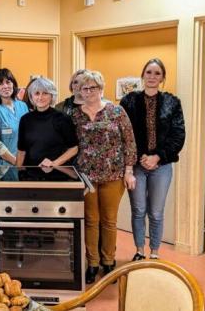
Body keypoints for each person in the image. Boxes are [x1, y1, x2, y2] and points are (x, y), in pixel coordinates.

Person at [71, 70, 136, 284]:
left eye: (93, 88)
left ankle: (109, 262)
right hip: (86, 177)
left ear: (101, 89)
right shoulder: (75, 115)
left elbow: (129, 143)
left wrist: (129, 171)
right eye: (84, 88)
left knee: (109, 221)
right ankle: (93, 264)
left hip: (113, 175)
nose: (89, 92)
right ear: (79, 91)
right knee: (91, 221)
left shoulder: (116, 111)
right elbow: (71, 146)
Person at [120, 58, 185, 261]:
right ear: (143, 75)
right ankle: (139, 250)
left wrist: (157, 157)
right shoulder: (128, 101)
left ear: (163, 77)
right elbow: (124, 133)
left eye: (157, 73)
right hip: (136, 166)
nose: (152, 77)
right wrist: (139, 159)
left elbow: (178, 135)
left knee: (156, 212)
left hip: (162, 166)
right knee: (138, 210)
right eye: (149, 72)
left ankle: (155, 252)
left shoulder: (172, 102)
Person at [16, 77, 78, 168]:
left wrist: (53, 164)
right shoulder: (25, 119)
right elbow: (21, 151)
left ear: (52, 96)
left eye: (45, 93)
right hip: (30, 174)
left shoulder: (62, 118)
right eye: (37, 93)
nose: (40, 97)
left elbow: (74, 148)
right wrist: (17, 173)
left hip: (56, 174)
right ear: (31, 96)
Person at [0, 69, 29, 175]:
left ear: (13, 84)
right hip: (2, 167)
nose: (5, 86)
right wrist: (16, 162)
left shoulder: (22, 106)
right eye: (0, 83)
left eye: (8, 82)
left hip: (23, 164)